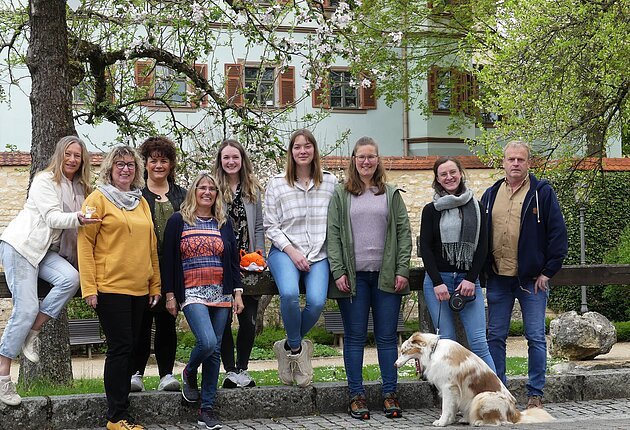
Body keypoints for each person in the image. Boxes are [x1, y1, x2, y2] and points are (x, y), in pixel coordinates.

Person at [0, 136, 98, 407]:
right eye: (68, 154)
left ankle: (32, 332)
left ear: (83, 160)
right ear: (59, 155)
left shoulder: (80, 187)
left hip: (45, 252)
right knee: (25, 308)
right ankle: (3, 378)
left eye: (77, 155)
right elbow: (53, 218)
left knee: (70, 279)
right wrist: (80, 217)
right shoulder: (45, 180)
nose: (72, 159)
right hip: (22, 246)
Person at [327, 137, 411, 420]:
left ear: (378, 160)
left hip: (386, 277)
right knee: (354, 338)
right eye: (361, 157)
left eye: (371, 157)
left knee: (387, 338)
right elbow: (334, 235)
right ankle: (356, 395)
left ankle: (390, 393)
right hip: (353, 279)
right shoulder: (341, 194)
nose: (366, 162)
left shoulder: (390, 194)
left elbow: (403, 234)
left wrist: (402, 269)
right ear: (353, 160)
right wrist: (338, 271)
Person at [78, 145, 161, 430]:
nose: (125, 169)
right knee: (120, 347)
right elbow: (85, 244)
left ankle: (122, 409)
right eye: (120, 164)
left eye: (130, 165)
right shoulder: (97, 199)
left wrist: (155, 284)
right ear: (110, 168)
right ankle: (116, 417)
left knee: (136, 349)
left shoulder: (141, 202)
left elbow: (151, 246)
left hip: (140, 289)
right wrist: (89, 287)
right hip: (110, 288)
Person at [481, 140, 567, 409]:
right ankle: (500, 391)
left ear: (529, 163)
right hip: (498, 278)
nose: (515, 163)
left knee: (535, 337)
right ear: (503, 162)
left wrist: (548, 272)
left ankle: (535, 393)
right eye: (511, 159)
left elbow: (558, 236)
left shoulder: (542, 194)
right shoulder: (491, 194)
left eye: (520, 159)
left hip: (531, 282)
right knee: (495, 337)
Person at [161, 172, 244, 430]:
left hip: (221, 292)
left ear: (217, 194)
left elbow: (233, 261)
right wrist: (170, 294)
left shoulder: (223, 222)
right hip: (192, 292)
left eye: (212, 188)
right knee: (207, 342)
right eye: (202, 187)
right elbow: (168, 259)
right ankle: (188, 371)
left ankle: (206, 409)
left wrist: (237, 293)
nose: (207, 192)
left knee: (216, 350)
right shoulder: (178, 220)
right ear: (194, 191)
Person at [264, 129, 336, 387]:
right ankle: (297, 351)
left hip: (319, 253)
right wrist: (292, 252)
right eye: (297, 147)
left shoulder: (330, 182)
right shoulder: (277, 183)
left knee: (316, 301)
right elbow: (270, 226)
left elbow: (337, 222)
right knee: (290, 295)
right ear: (291, 152)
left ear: (314, 150)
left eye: (307, 146)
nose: (302, 151)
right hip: (285, 251)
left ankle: (288, 346)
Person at [419, 156, 495, 371]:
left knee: (479, 342)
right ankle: (452, 399)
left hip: (467, 283)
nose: (449, 177)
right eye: (443, 174)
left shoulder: (477, 207)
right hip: (438, 283)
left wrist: (471, 279)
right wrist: (436, 282)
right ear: (437, 178)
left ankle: (498, 395)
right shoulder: (431, 210)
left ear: (460, 173)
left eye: (453, 172)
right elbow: (426, 249)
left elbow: (482, 246)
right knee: (446, 343)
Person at [129, 136, 186, 393]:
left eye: (164, 160)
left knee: (166, 322)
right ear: (146, 164)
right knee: (140, 322)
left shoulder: (182, 196)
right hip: (143, 265)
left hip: (173, 267)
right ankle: (136, 373)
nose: (159, 165)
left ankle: (166, 375)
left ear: (171, 165)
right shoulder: (135, 196)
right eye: (154, 161)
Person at [214, 139, 265, 389]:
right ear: (220, 161)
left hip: (249, 263)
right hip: (222, 263)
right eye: (226, 158)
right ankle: (230, 370)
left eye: (235, 157)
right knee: (223, 319)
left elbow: (258, 226)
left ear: (242, 160)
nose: (231, 162)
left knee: (248, 319)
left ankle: (243, 368)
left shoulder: (252, 189)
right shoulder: (213, 188)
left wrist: (260, 256)